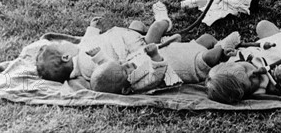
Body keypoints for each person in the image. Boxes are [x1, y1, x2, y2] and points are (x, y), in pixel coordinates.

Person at [36, 2, 173, 83]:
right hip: (135, 50)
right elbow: (111, 67)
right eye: (60, 45)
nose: (63, 42)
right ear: (66, 57)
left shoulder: (80, 53)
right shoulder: (87, 65)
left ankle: (156, 37)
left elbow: (86, 40)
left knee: (136, 24)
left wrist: (92, 28)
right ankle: (164, 20)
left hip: (127, 38)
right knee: (155, 29)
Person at [205, 12, 281, 104]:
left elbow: (235, 50)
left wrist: (230, 52)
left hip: (275, 40)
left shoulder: (235, 61)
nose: (252, 73)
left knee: (262, 25)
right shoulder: (268, 86)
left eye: (245, 69)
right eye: (249, 81)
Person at [90, 31, 240, 94]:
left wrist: (98, 57)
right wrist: (155, 56)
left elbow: (111, 67)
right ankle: (225, 47)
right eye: (124, 71)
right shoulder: (139, 84)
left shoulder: (125, 69)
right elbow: (157, 75)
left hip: (182, 50)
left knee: (206, 38)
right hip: (192, 65)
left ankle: (221, 49)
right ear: (125, 90)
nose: (126, 65)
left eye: (122, 64)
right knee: (209, 57)